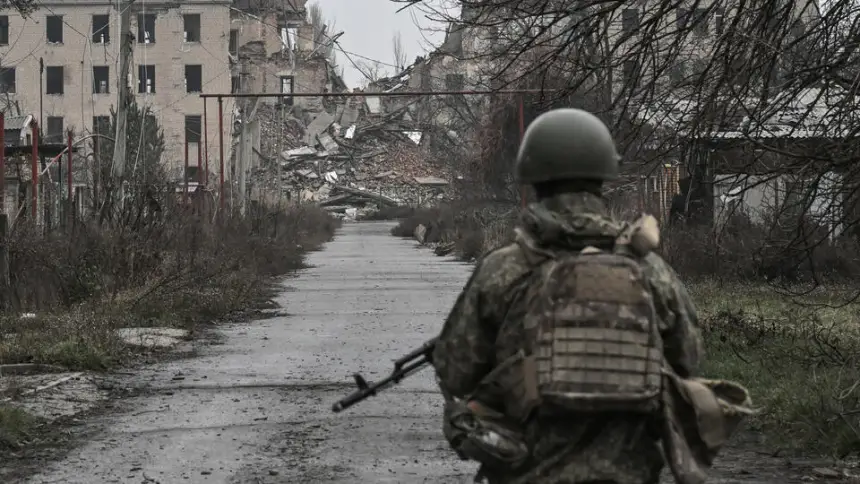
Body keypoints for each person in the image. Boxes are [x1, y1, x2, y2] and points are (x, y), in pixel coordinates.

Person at [431, 108, 704, 484]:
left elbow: (456, 372)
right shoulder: (649, 270)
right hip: (630, 473)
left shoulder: (505, 269)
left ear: (533, 181)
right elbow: (688, 361)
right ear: (603, 179)